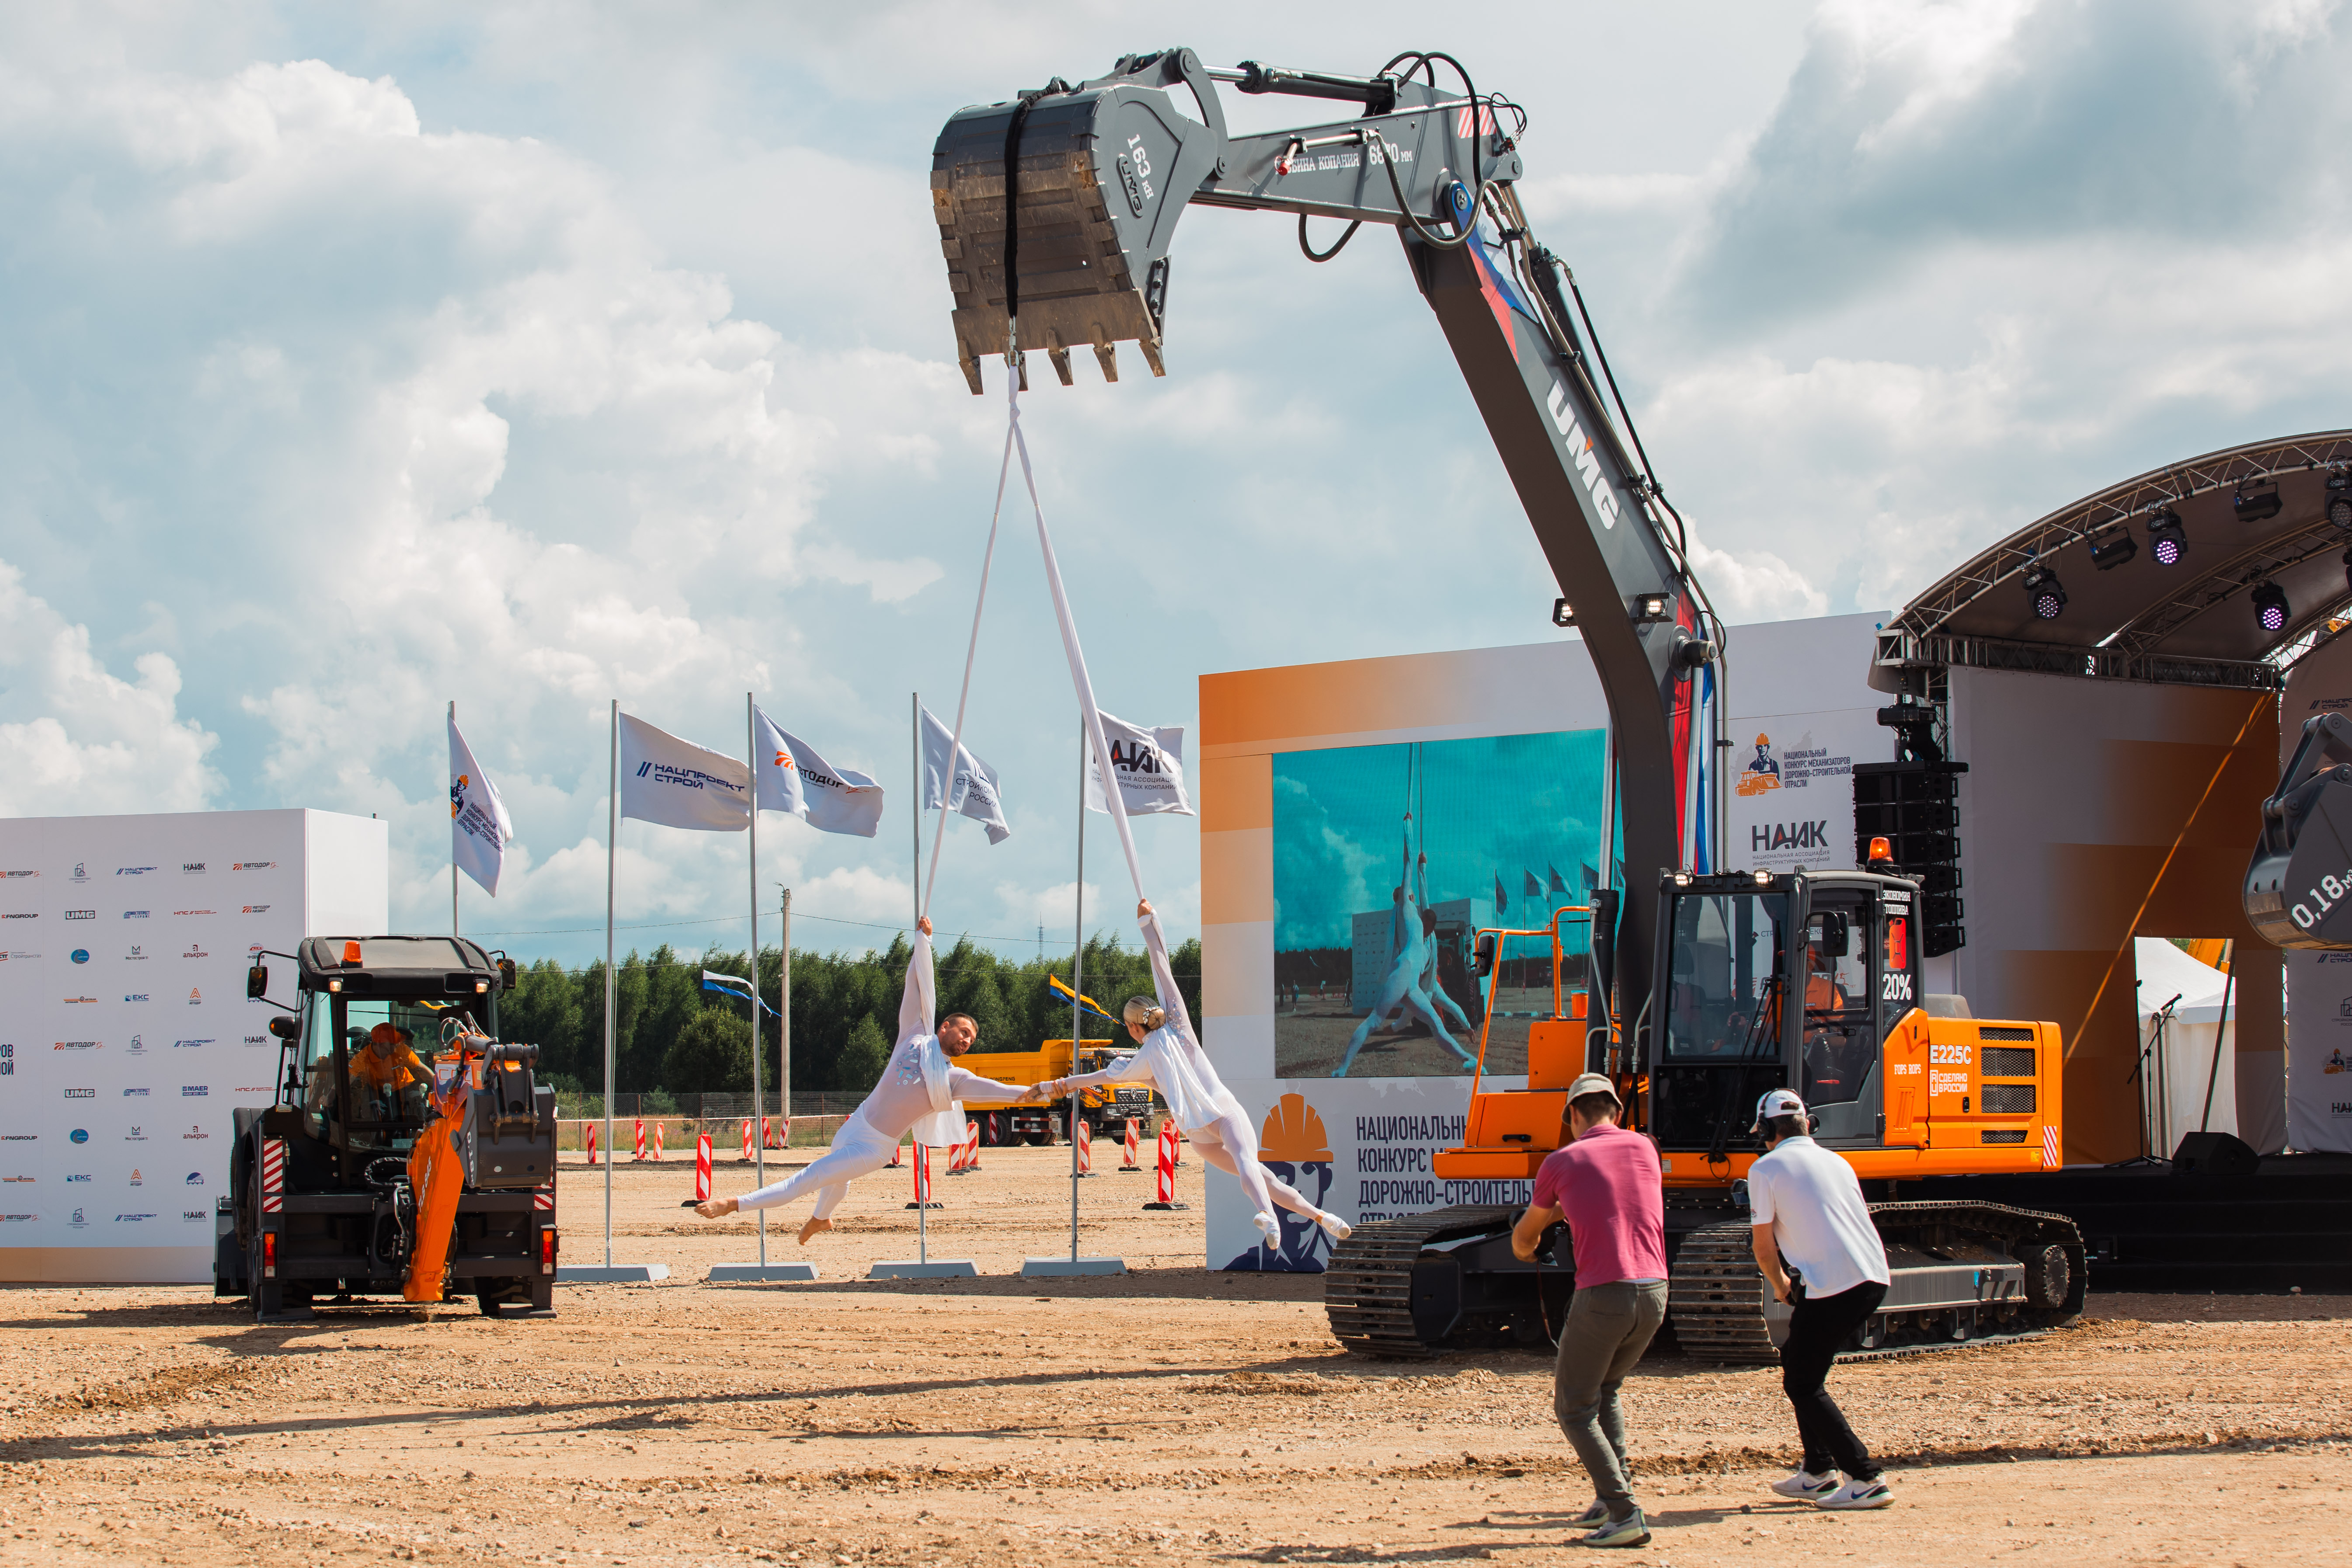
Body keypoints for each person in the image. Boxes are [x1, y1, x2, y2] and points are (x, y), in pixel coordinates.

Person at [1039, 898, 1353, 1256]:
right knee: (1253, 1167)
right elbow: (1162, 967)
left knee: (1258, 1175)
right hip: (1220, 1111)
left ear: (1131, 1026)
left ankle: (1318, 1215)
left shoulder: (1141, 1060)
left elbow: (1102, 1076)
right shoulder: (1179, 1028)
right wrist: (1149, 923)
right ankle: (1273, 1213)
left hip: (1196, 1132)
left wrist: (1062, 1084)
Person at [692, 917, 1033, 1244]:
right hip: (858, 1121)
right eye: (965, 1032)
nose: (967, 1040)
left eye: (972, 1039)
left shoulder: (953, 1079)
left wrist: (1049, 1088)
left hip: (876, 1147)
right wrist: (924, 941)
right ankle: (821, 1218)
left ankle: (733, 1204)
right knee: (836, 1176)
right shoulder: (913, 1035)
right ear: (944, 1026)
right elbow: (916, 985)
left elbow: (1006, 1091)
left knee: (810, 1177)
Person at [1508, 1073, 1667, 1549]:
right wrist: (1568, 1207)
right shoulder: (1646, 1149)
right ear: (1616, 1112)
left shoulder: (1562, 1160)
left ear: (1572, 1115)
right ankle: (1607, 1496)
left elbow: (1524, 1237)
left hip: (1604, 1292)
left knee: (1573, 1407)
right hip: (1655, 1290)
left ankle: (1623, 1511)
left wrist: (1530, 1245)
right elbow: (1612, 1196)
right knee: (1606, 1389)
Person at [1748, 1088, 1895, 1510]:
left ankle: (1865, 1476)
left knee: (1802, 1382)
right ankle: (1818, 1471)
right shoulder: (1838, 1160)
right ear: (1806, 1124)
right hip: (1871, 1275)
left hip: (1834, 1284)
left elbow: (1763, 1247)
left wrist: (1779, 1286)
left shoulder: (1767, 1168)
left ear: (1768, 1130)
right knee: (1797, 1356)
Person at [1333, 861, 1476, 1078]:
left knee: (1438, 1017)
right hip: (1412, 977)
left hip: (1424, 982)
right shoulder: (1405, 913)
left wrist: (1423, 870)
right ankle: (1342, 1069)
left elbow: (1425, 899)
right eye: (1409, 897)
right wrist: (1414, 859)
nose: (1414, 900)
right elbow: (1412, 890)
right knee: (1381, 1020)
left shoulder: (1425, 930)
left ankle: (1468, 1058)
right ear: (1404, 899)